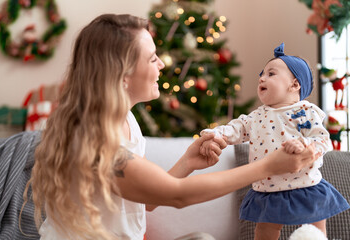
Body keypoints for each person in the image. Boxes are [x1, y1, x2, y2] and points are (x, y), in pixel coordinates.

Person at [23, 15, 320, 240]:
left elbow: (147, 199)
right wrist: (267, 166)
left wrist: (188, 161)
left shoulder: (126, 119)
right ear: (122, 74)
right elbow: (177, 195)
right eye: (152, 58)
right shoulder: (94, 137)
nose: (161, 65)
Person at [200, 43, 350, 239]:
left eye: (271, 74)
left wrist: (305, 145)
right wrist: (216, 134)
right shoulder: (256, 117)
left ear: (295, 85)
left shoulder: (305, 112)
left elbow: (322, 140)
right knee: (265, 231)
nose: (262, 78)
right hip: (269, 188)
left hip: (306, 184)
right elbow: (235, 129)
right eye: (262, 75)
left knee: (315, 229)